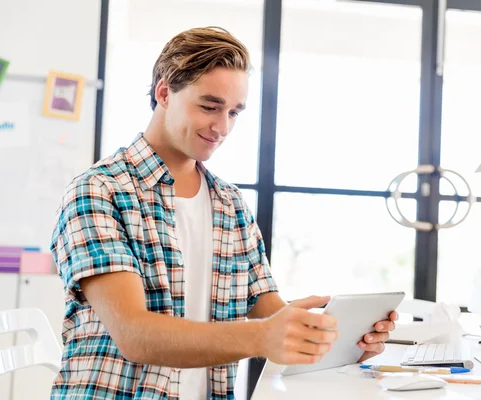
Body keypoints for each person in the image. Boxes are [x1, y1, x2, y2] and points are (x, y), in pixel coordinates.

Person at [50, 26, 398, 400]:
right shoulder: (98, 191)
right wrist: (264, 336)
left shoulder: (229, 205)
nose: (223, 127)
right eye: (209, 106)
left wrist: (337, 336)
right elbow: (136, 335)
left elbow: (270, 314)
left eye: (234, 112)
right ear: (164, 92)